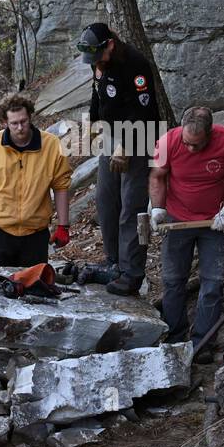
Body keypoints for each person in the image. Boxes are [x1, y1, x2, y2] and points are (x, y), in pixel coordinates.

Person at [149, 107, 224, 358]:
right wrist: (158, 208)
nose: (191, 149)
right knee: (172, 281)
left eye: (197, 145)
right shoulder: (168, 142)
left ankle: (203, 344)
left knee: (213, 283)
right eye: (187, 143)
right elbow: (158, 176)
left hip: (215, 223)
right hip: (177, 218)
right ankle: (175, 338)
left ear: (209, 134)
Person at [79, 21, 160, 296]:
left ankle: (132, 272)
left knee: (131, 208)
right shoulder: (98, 62)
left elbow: (144, 111)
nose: (95, 62)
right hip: (111, 137)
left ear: (110, 44)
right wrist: (92, 123)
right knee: (106, 201)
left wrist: (126, 146)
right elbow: (97, 93)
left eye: (98, 56)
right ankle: (113, 261)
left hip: (139, 136)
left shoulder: (135, 64)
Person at [0, 93, 72, 282]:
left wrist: (63, 225)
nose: (20, 127)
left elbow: (61, 186)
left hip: (35, 234)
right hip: (0, 232)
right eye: (14, 123)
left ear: (30, 117)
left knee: (34, 290)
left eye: (24, 121)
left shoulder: (51, 146)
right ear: (4, 122)